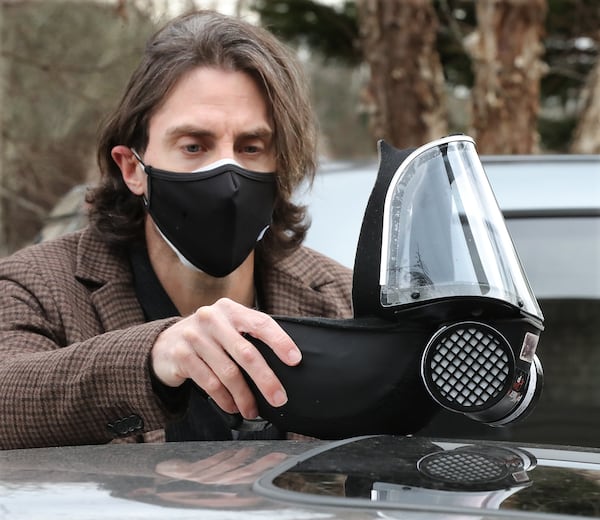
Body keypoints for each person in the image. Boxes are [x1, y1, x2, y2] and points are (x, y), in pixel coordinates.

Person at [0, 9, 352, 449]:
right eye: (193, 146)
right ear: (133, 167)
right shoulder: (35, 289)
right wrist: (154, 356)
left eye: (250, 147)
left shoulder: (341, 299)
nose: (227, 176)